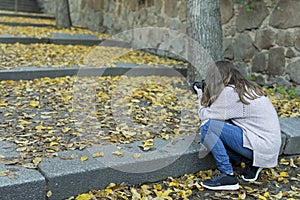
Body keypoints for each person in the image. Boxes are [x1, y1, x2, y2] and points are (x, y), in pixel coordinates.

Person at [194, 61, 281, 190]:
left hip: (261, 145)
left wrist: (200, 93)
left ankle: (227, 175)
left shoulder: (230, 92)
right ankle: (251, 163)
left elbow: (206, 116)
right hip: (269, 146)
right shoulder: (246, 88)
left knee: (208, 127)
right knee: (208, 136)